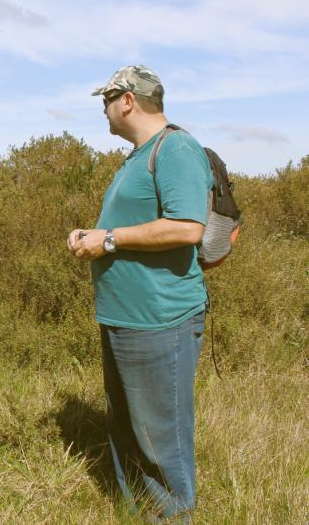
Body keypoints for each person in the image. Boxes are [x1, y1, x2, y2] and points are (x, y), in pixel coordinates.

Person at [68, 66, 213, 523]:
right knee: (129, 433)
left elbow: (188, 227)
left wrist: (109, 240)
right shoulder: (138, 155)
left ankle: (172, 517)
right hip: (126, 317)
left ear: (127, 100)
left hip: (160, 320)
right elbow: (134, 223)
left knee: (159, 440)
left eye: (106, 100)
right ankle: (138, 515)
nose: (104, 110)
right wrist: (94, 234)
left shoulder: (176, 149)